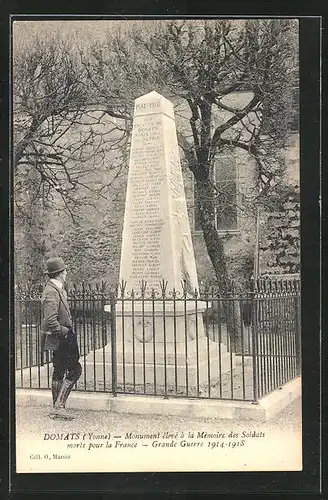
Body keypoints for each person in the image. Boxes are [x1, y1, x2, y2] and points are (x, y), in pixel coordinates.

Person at [41, 257, 82, 420]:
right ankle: (58, 407)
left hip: (64, 336)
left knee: (59, 371)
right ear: (58, 274)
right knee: (74, 370)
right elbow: (50, 319)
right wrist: (64, 333)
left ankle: (57, 407)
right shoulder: (51, 291)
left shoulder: (58, 289)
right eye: (64, 271)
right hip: (61, 338)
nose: (66, 273)